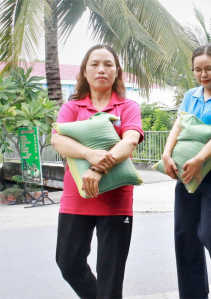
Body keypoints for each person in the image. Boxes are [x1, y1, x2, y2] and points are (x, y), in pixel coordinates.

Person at [52, 44, 144, 298]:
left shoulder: (127, 107)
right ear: (84, 71)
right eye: (94, 64)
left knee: (110, 275)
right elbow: (58, 140)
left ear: (117, 72)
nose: (101, 69)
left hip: (116, 202)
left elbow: (130, 141)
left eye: (108, 64)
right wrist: (89, 154)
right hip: (76, 198)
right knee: (68, 263)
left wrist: (98, 168)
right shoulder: (72, 108)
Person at [161, 44, 211, 299]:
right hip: (188, 169)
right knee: (185, 234)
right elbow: (178, 125)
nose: (203, 75)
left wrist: (200, 158)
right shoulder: (190, 96)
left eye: (209, 68)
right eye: (198, 70)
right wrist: (166, 153)